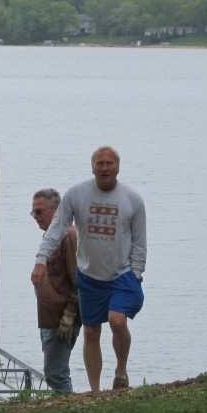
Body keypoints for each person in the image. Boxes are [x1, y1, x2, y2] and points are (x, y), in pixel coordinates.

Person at [31, 147, 147, 392]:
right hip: (90, 276)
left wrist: (136, 274)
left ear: (118, 167)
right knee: (91, 332)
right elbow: (56, 229)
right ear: (92, 167)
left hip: (122, 274)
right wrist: (40, 261)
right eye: (99, 163)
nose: (104, 168)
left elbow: (139, 242)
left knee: (117, 321)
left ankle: (121, 371)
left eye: (109, 163)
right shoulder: (77, 194)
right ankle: (95, 392)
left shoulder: (132, 199)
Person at [30, 188, 81, 394]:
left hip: (61, 317)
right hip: (49, 317)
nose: (35, 217)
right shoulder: (50, 238)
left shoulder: (68, 236)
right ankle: (64, 409)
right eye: (33, 212)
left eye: (40, 212)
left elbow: (79, 279)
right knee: (55, 371)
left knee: (55, 373)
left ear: (57, 210)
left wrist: (69, 314)